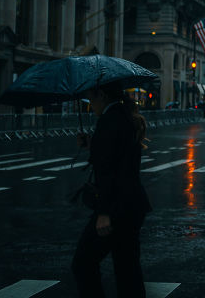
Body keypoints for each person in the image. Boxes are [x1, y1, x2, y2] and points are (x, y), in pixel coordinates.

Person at [72, 83, 152, 297]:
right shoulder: (124, 116)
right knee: (128, 270)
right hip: (132, 205)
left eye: (91, 96)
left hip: (117, 207)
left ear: (102, 94)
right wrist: (92, 144)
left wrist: (104, 212)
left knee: (83, 263)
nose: (90, 103)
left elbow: (109, 172)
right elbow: (117, 155)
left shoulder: (110, 121)